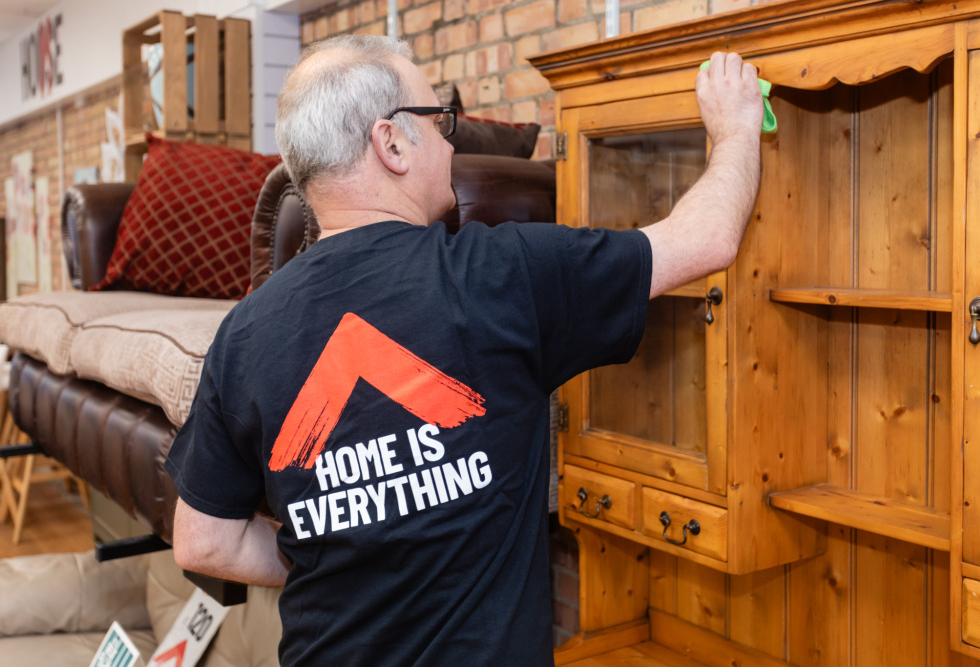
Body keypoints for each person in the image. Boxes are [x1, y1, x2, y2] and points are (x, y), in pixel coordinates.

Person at [165, 35, 762, 666]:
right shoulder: (505, 274)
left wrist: (338, 545)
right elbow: (708, 239)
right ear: (390, 143)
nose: (452, 143)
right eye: (440, 122)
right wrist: (735, 129)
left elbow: (202, 544)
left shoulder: (243, 333)